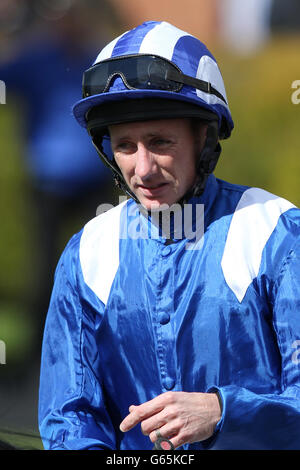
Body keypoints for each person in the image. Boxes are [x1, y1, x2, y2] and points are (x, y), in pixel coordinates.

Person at [38, 20, 300, 450]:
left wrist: (222, 412)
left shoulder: (278, 233)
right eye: (125, 145)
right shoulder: (86, 252)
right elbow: (70, 419)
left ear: (205, 138)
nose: (142, 169)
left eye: (160, 142)